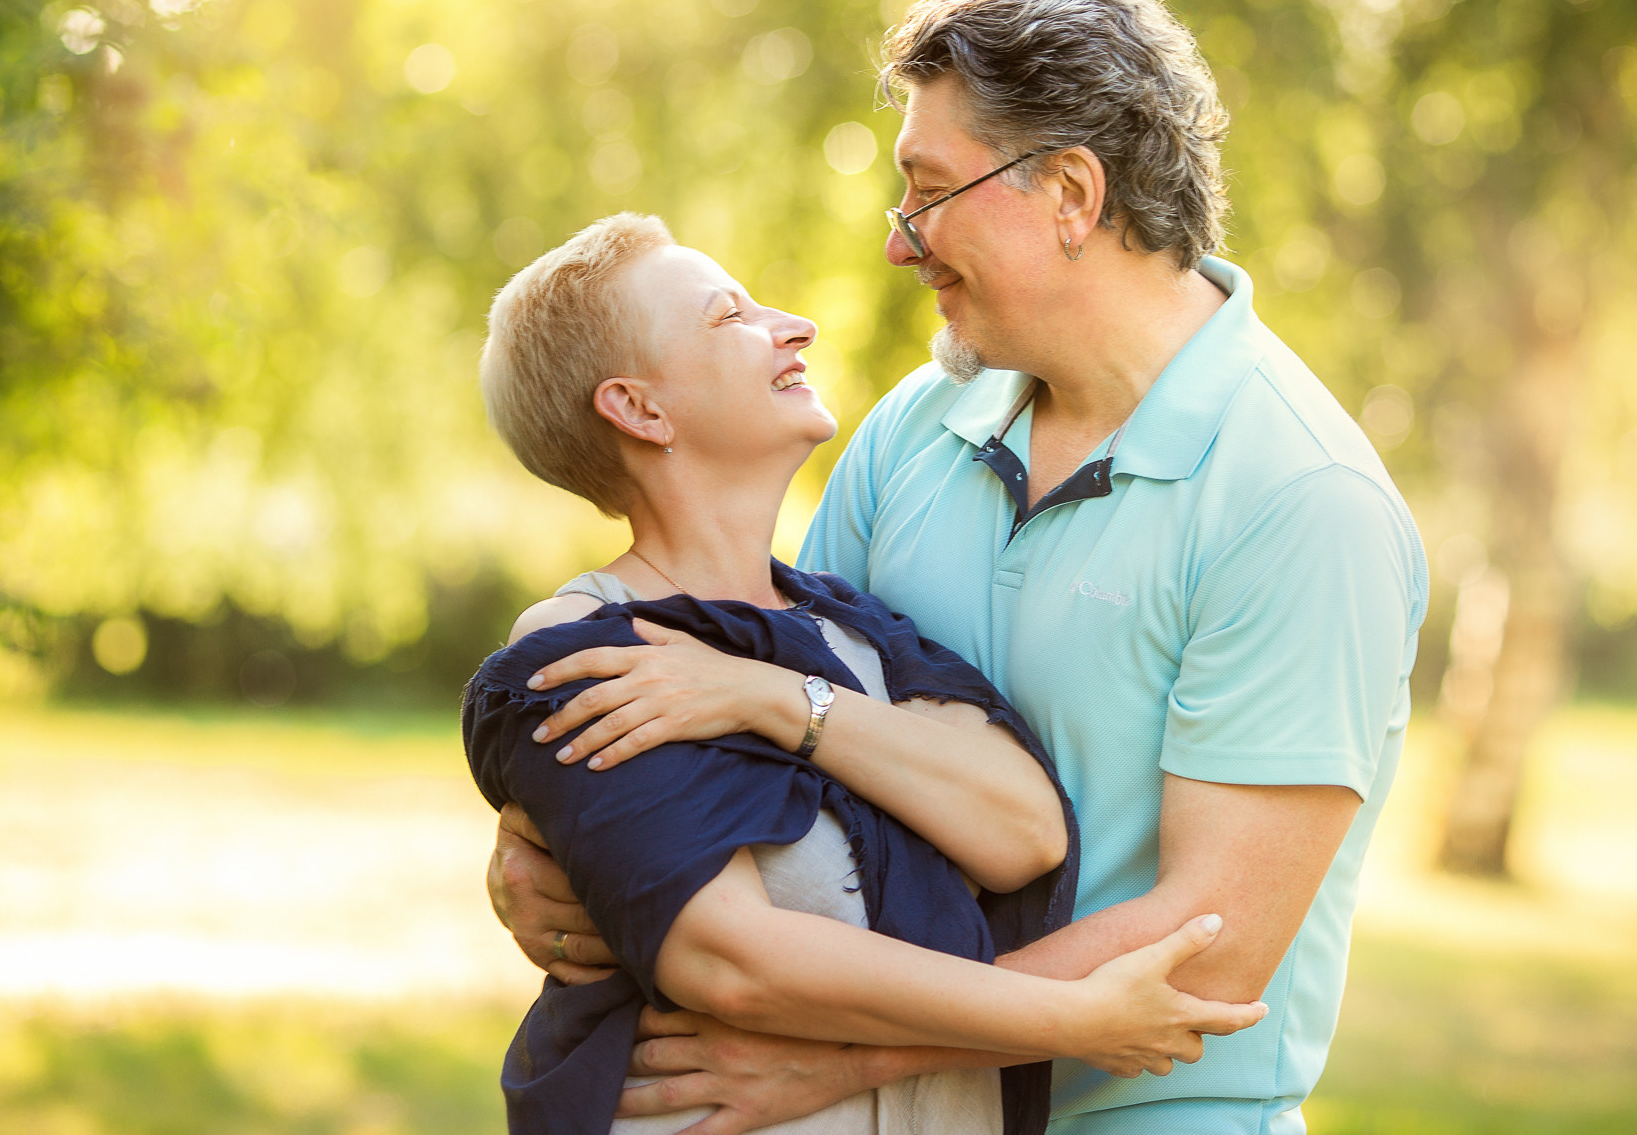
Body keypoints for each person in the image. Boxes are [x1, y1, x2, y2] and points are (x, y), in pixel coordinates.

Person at [492, 0, 1428, 1134]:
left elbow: (1213, 946)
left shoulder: (1299, 500)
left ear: (1070, 194)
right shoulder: (915, 429)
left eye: (928, 192)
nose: (900, 244)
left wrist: (847, 1060)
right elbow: (784, 714)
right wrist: (539, 843)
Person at [465, 210, 1268, 1135]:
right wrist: (1071, 1019)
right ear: (639, 409)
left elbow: (1025, 833)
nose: (794, 325)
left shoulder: (854, 629)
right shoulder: (587, 649)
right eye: (730, 315)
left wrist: (773, 698)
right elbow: (729, 960)